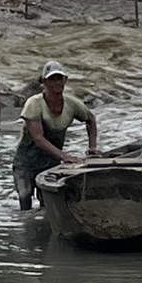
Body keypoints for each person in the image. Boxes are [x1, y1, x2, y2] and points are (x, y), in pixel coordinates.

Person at [13, 62, 99, 210]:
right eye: (52, 79)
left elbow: (90, 119)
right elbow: (38, 138)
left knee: (47, 202)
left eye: (59, 78)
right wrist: (64, 156)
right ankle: (25, 222)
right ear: (44, 82)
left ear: (65, 80)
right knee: (25, 196)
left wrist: (92, 148)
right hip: (26, 162)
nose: (57, 83)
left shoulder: (71, 104)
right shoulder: (34, 104)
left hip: (51, 162)